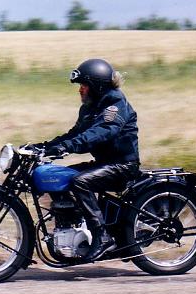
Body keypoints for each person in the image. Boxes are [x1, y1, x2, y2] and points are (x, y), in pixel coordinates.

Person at [32, 58, 140, 261]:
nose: (80, 89)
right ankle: (71, 223)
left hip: (122, 166)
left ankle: (102, 237)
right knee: (60, 177)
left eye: (84, 85)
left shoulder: (114, 104)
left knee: (80, 182)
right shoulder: (90, 107)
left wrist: (68, 147)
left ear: (97, 86)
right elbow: (75, 134)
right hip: (104, 163)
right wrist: (44, 146)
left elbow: (102, 132)